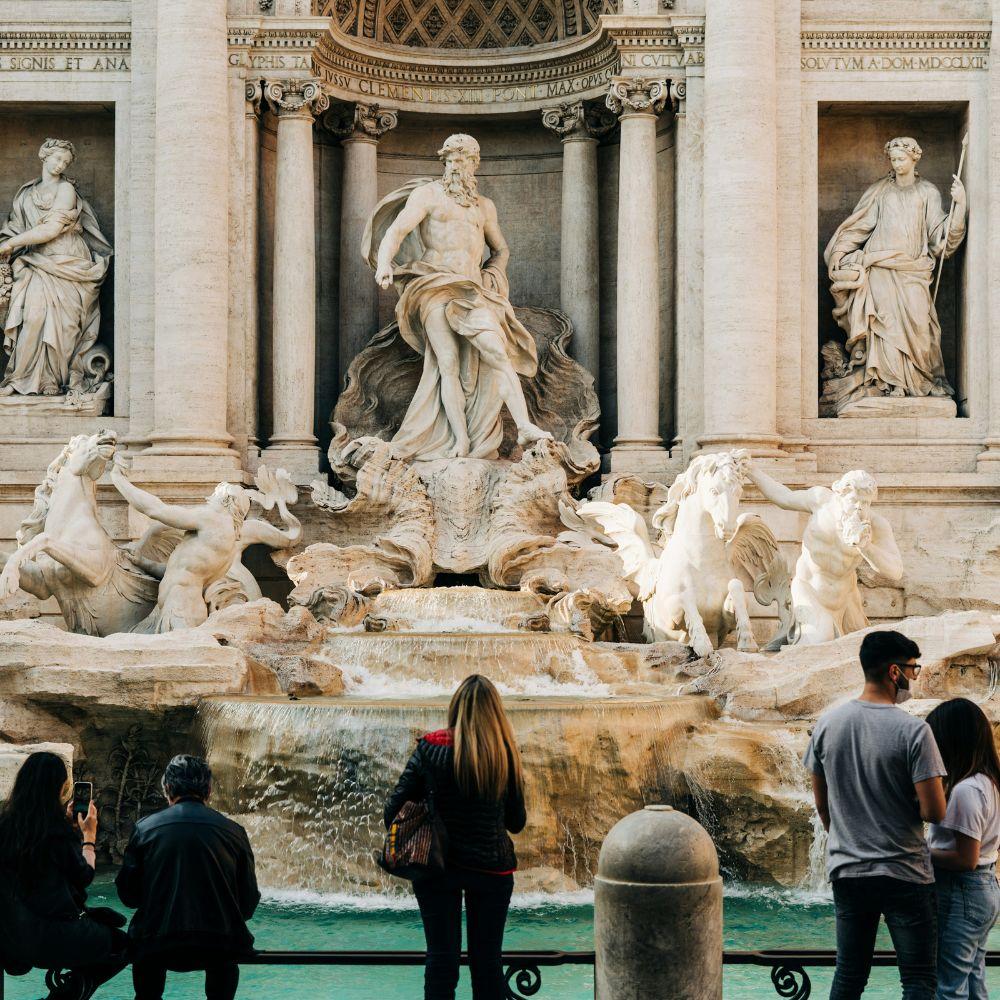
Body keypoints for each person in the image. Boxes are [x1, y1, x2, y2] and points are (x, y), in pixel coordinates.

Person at [366, 133, 552, 460]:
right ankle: (460, 441)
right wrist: (384, 263)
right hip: (434, 284)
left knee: (498, 352)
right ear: (444, 162)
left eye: (463, 160)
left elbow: (501, 248)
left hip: (472, 289)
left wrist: (493, 274)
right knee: (447, 363)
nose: (456, 166)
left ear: (474, 165)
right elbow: (396, 231)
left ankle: (524, 426)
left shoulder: (484, 207)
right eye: (451, 159)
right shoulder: (428, 195)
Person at [803, 629, 947, 999]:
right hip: (905, 871)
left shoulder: (828, 725)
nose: (914, 678)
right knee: (917, 979)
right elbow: (934, 811)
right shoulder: (915, 731)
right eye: (913, 670)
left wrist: (848, 837)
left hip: (849, 870)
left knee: (849, 976)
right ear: (894, 673)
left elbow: (823, 804)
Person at [385, 674, 527, 1000]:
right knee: (488, 964)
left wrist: (432, 803)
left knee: (441, 959)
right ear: (496, 712)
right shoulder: (505, 752)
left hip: (437, 867)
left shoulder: (429, 748)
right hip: (492, 868)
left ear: (455, 708)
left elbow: (392, 812)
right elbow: (516, 822)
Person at [115, 755, 260, 1000]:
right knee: (224, 961)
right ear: (209, 790)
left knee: (146, 965)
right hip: (219, 944)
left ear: (168, 789)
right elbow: (247, 903)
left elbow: (128, 896)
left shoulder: (145, 828)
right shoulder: (234, 831)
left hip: (157, 943)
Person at [0, 751, 127, 995]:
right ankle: (71, 992)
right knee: (123, 945)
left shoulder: (5, 826)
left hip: (12, 937)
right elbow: (84, 876)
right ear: (59, 789)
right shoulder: (57, 833)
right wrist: (88, 838)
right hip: (55, 936)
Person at [0, 138, 113, 397]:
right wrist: (9, 246)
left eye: (66, 161)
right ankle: (21, 379)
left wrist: (12, 244)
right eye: (57, 158)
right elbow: (15, 229)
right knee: (33, 317)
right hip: (36, 263)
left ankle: (55, 380)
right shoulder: (25, 194)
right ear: (44, 155)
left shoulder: (66, 190)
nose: (60, 164)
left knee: (64, 326)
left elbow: (51, 229)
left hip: (68, 262)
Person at [926, 698, 1000, 1000]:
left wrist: (917, 852)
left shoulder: (966, 791)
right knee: (972, 978)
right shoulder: (989, 783)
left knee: (949, 986)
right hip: (984, 889)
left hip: (963, 892)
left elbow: (965, 859)